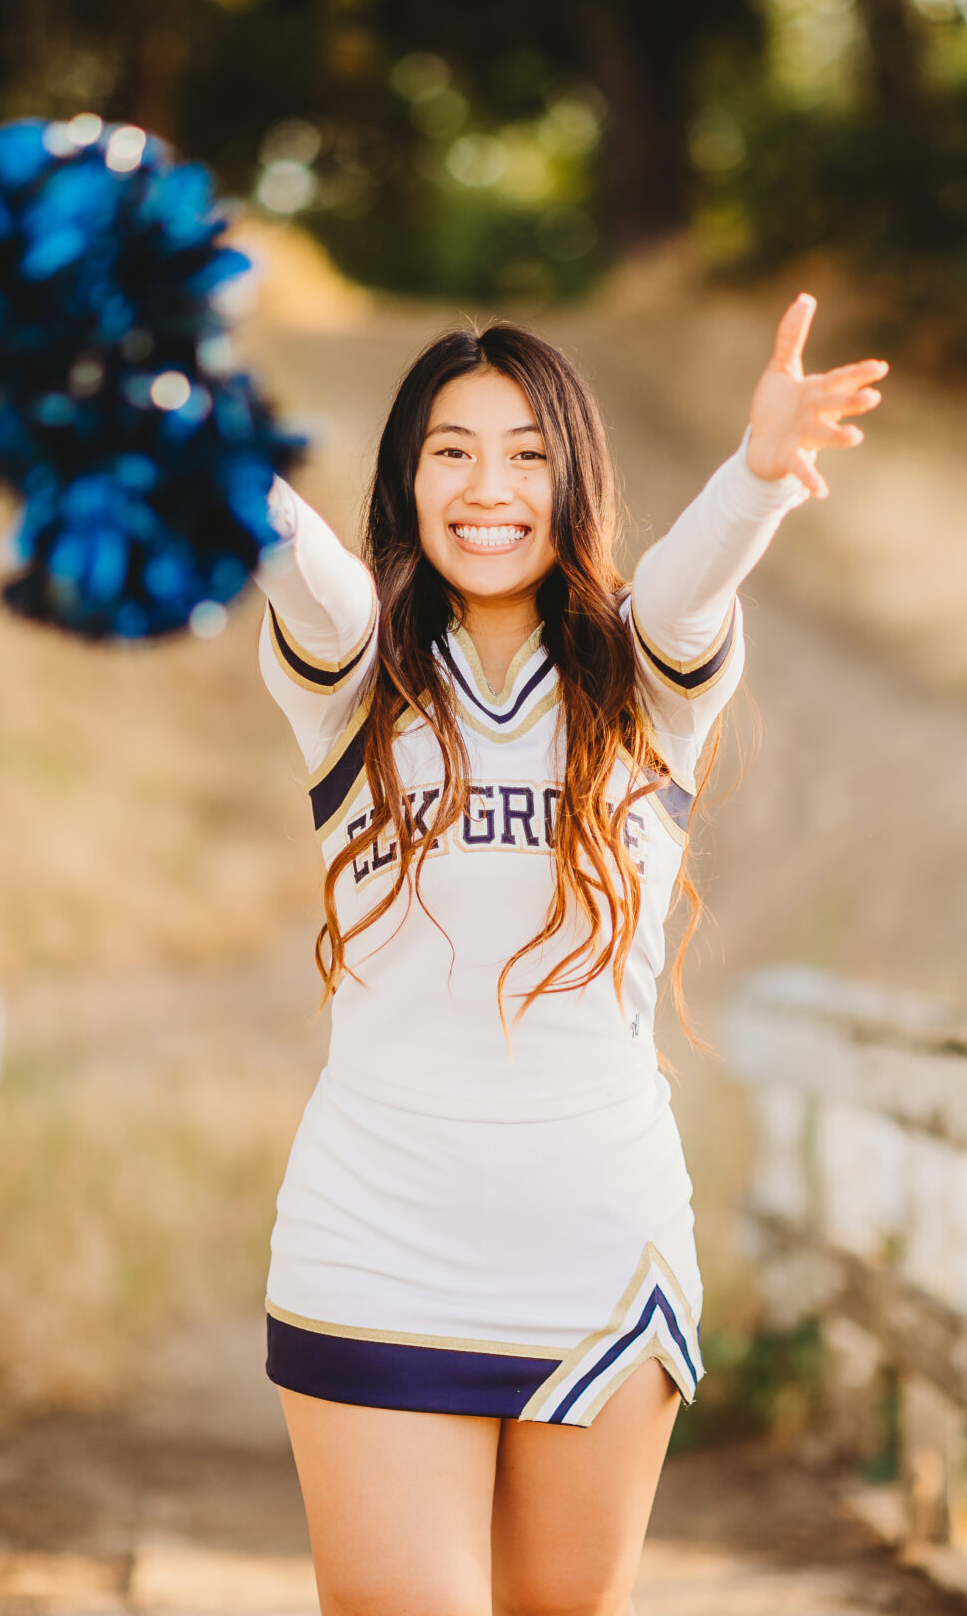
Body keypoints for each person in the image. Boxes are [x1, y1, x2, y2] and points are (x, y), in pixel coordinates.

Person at [251, 294, 885, 1615]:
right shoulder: (354, 674)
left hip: (596, 1248)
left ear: (573, 479)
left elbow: (694, 577)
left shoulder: (648, 683)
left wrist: (761, 474)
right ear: (405, 482)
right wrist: (202, 435)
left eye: (529, 453)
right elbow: (296, 559)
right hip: (375, 1239)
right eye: (452, 451)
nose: (492, 487)